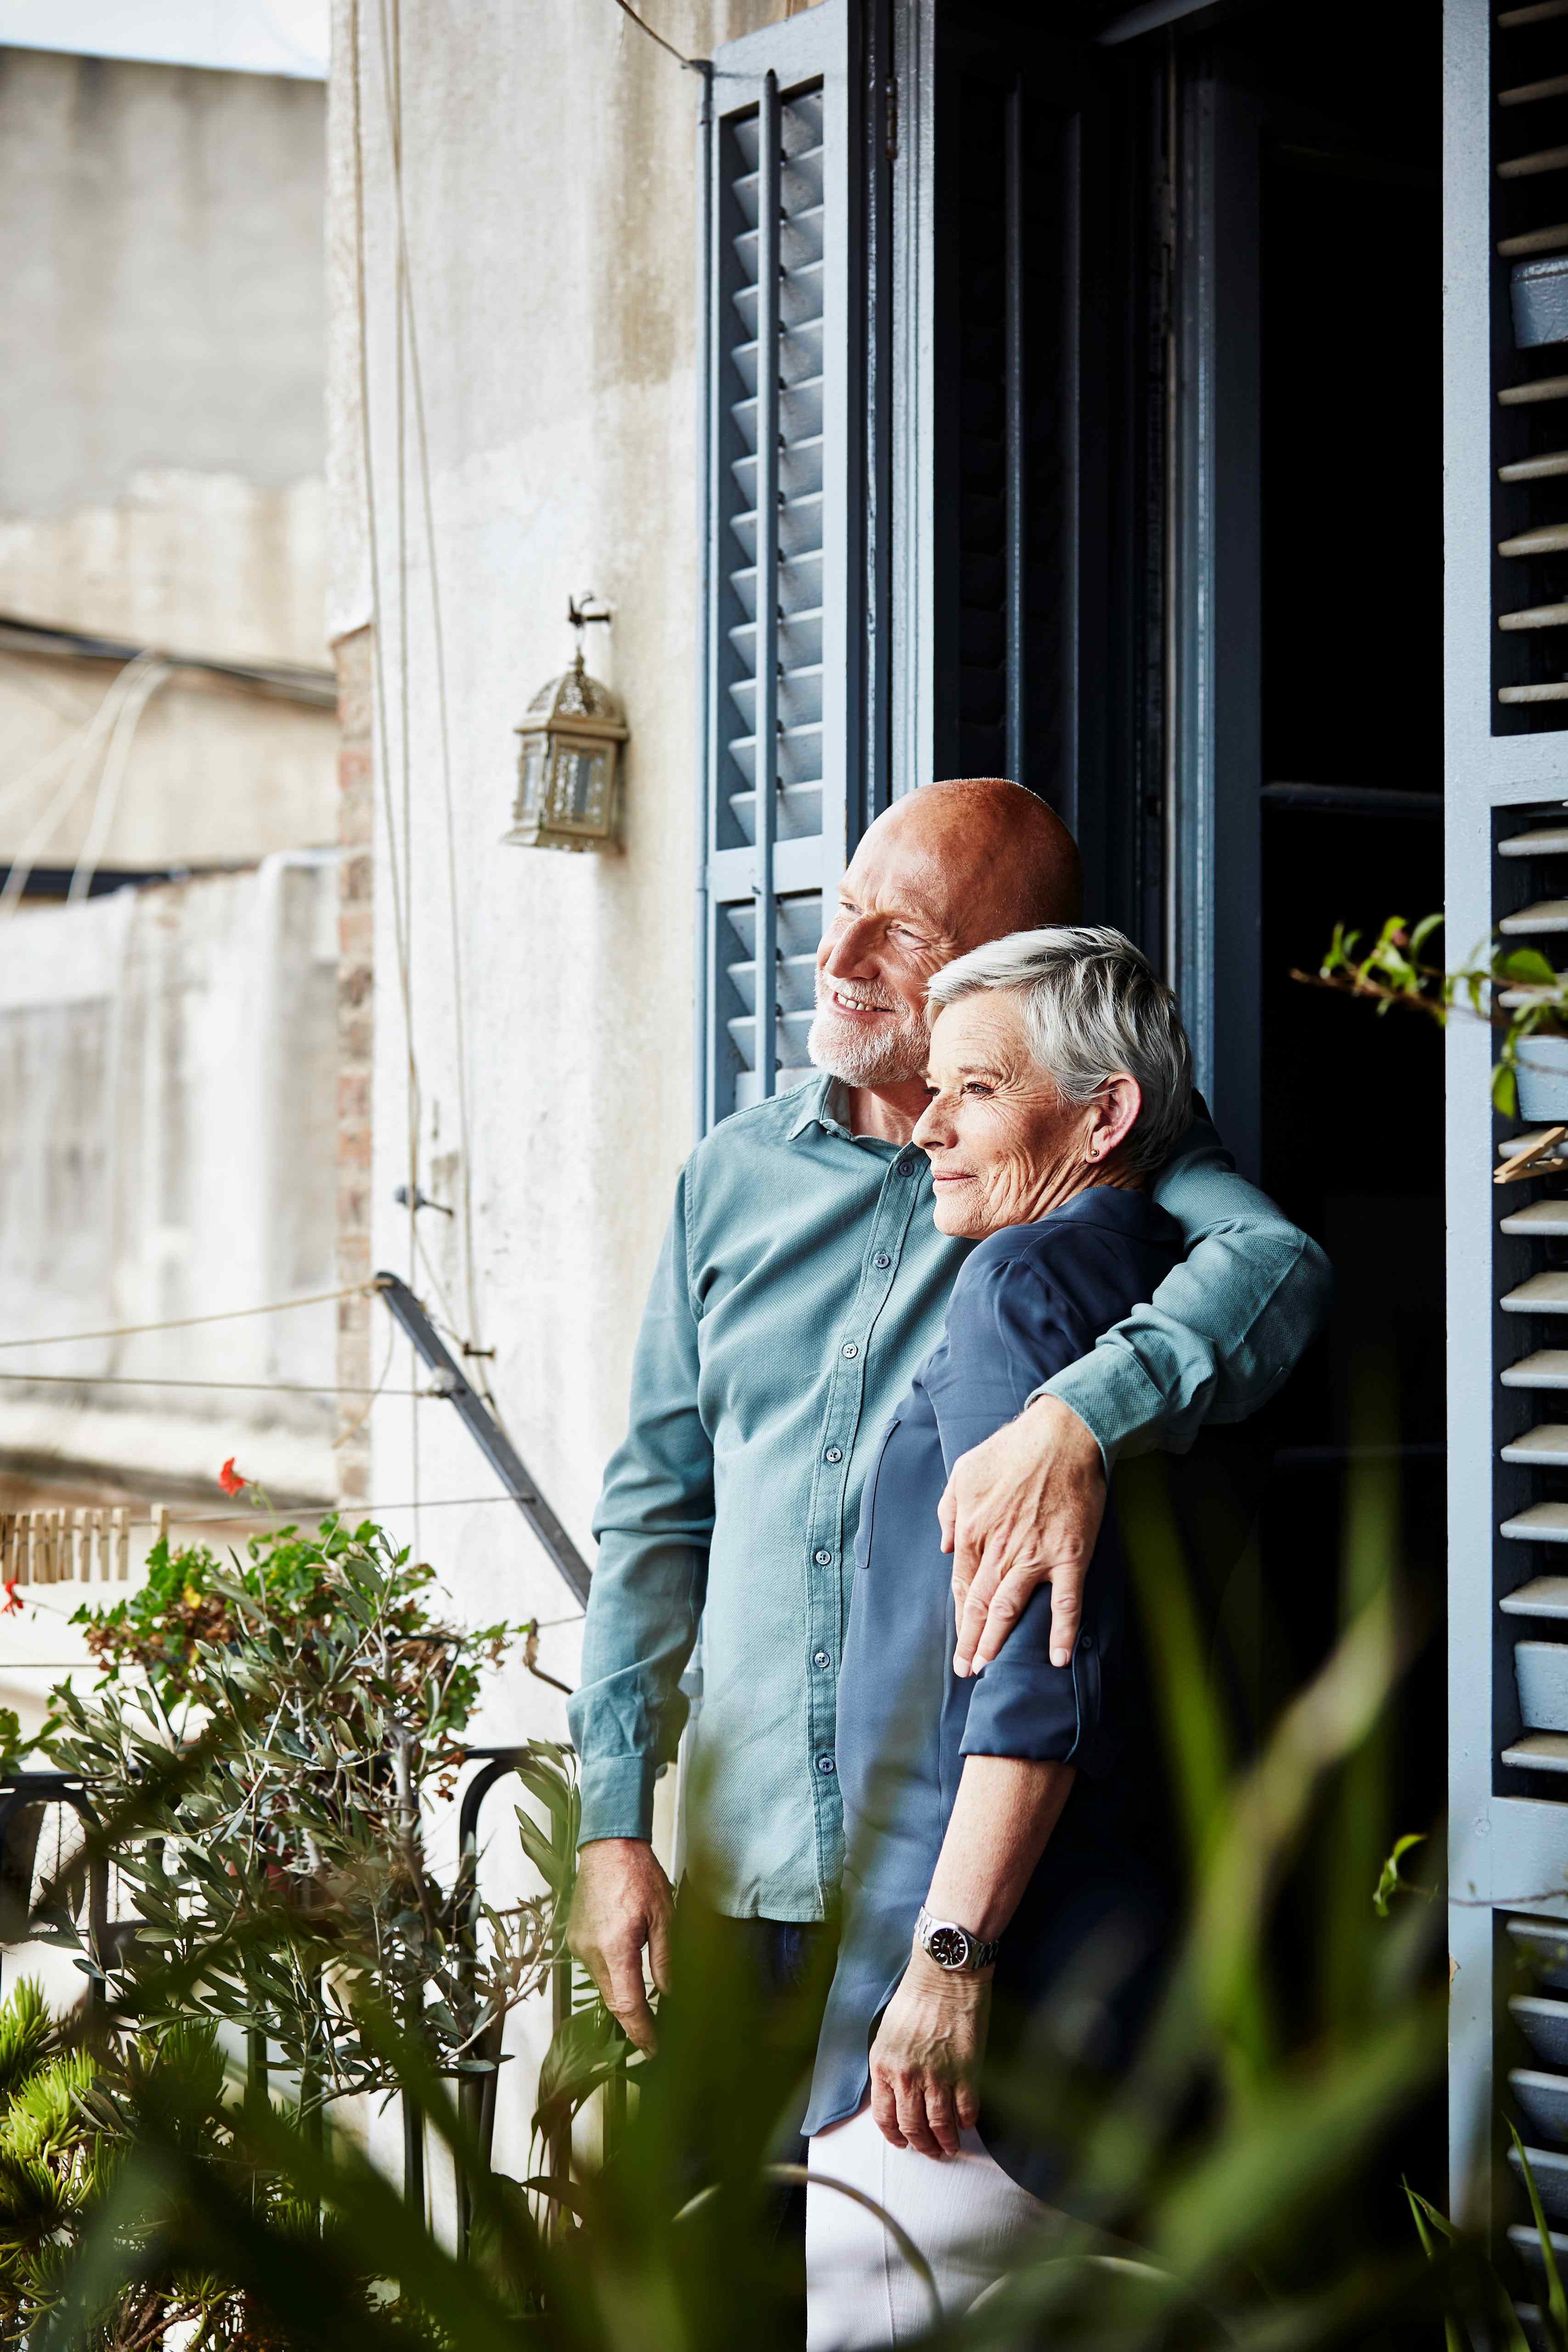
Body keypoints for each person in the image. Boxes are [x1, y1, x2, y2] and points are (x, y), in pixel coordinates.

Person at [565, 778, 1329, 2067]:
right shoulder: (729, 1176)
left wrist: (1080, 1417)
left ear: (997, 971)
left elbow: (1277, 1263)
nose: (837, 957)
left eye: (899, 933)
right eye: (842, 909)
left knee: (917, 2259)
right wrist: (611, 1818)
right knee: (733, 2263)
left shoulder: (1074, 1154)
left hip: (942, 1897)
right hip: (734, 1877)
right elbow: (656, 1506)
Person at [803, 927, 1196, 2346]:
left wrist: (945, 1962)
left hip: (964, 2065)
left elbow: (1034, 1661)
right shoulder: (1162, 1270)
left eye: (974, 1089)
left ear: (1106, 1114)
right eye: (931, 1086)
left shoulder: (1022, 1283)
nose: (927, 1125)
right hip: (1116, 2016)